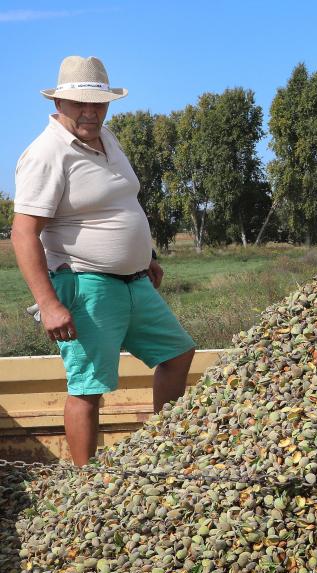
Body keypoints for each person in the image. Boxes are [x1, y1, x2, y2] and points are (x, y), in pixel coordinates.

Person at [11, 56, 196, 466]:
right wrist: (48, 303)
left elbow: (119, 203)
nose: (91, 112)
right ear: (60, 102)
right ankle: (85, 484)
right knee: (88, 388)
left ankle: (162, 450)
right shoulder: (47, 153)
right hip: (85, 284)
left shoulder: (106, 139)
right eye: (80, 104)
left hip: (133, 281)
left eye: (99, 103)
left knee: (178, 354)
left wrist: (143, 255)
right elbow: (24, 233)